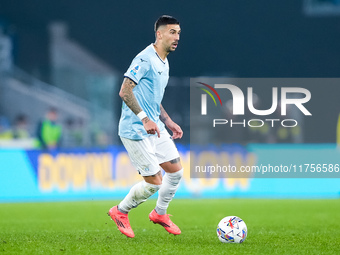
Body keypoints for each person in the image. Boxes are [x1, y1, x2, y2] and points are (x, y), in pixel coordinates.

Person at [108, 15, 183, 238]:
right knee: (154, 184)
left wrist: (167, 120)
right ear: (159, 34)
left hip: (155, 126)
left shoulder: (164, 60)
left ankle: (160, 213)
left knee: (176, 172)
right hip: (135, 130)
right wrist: (144, 118)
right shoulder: (144, 59)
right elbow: (125, 91)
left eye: (178, 33)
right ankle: (120, 211)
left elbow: (151, 97)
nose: (177, 37)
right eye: (172, 32)